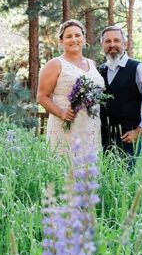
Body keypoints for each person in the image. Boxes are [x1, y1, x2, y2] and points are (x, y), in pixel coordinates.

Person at [37, 20, 104, 163]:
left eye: (77, 35)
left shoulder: (91, 64)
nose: (74, 39)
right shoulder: (55, 64)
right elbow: (42, 97)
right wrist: (61, 113)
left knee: (89, 173)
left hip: (91, 126)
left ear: (84, 39)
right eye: (68, 36)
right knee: (65, 171)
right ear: (61, 41)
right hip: (65, 127)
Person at [97, 25, 142, 166]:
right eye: (107, 41)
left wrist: (139, 131)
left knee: (124, 183)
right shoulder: (99, 71)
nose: (112, 44)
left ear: (125, 44)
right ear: (102, 45)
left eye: (117, 40)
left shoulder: (137, 68)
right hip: (101, 140)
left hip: (127, 140)